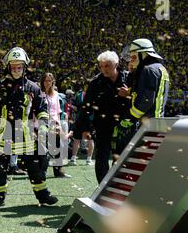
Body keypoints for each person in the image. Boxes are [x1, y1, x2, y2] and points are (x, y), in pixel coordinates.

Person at [0, 47, 58, 208]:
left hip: (26, 133)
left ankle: (43, 196)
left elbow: (42, 110)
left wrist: (44, 127)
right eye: (13, 67)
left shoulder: (34, 88)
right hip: (2, 132)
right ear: (8, 67)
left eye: (19, 67)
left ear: (24, 68)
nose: (16, 70)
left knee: (35, 166)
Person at [78, 50, 130, 183]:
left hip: (124, 125)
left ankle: (119, 186)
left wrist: (129, 94)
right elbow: (87, 107)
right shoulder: (95, 83)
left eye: (107, 65)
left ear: (116, 64)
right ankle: (102, 187)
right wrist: (85, 128)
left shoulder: (129, 79)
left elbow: (139, 100)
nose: (103, 69)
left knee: (122, 157)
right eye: (101, 66)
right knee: (101, 157)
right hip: (102, 125)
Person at [116, 38, 170, 152]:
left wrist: (129, 118)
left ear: (143, 54)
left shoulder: (148, 70)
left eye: (133, 56)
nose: (131, 60)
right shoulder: (160, 68)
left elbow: (146, 101)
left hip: (147, 125)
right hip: (157, 122)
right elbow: (150, 93)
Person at [40, 72, 71, 178]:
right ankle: (42, 172)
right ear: (42, 82)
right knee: (43, 149)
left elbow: (58, 111)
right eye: (45, 80)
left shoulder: (57, 94)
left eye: (49, 80)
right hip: (42, 123)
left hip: (54, 124)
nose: (47, 83)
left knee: (58, 148)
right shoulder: (39, 93)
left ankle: (59, 172)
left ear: (53, 81)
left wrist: (58, 124)